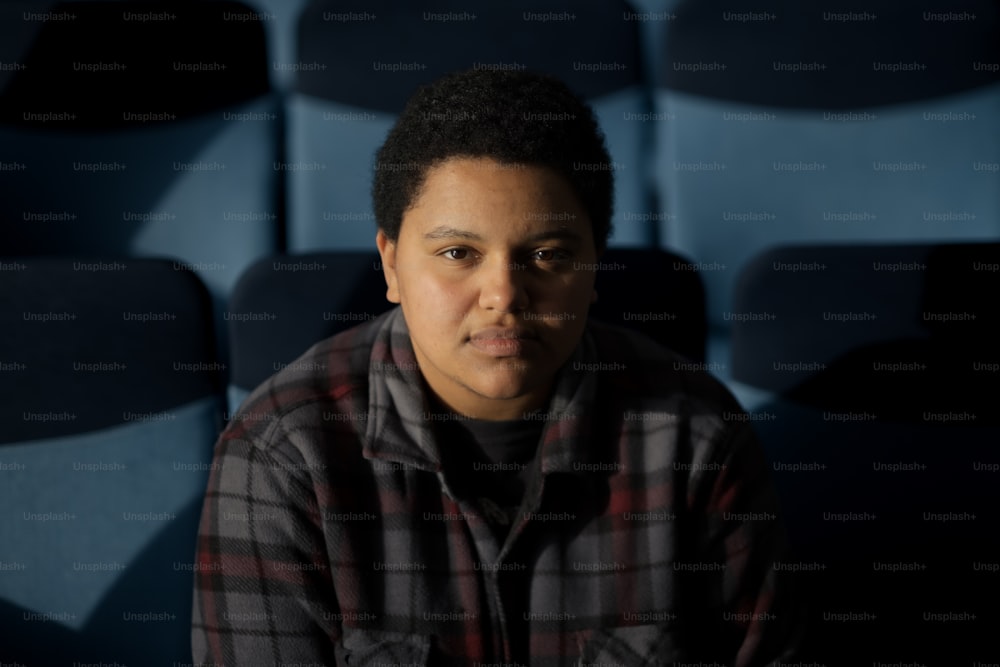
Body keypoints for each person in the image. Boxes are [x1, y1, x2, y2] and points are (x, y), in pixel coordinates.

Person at [191, 68, 802, 666]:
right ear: (393, 265)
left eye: (548, 255)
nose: (504, 294)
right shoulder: (281, 455)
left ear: (594, 269)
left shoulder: (697, 434)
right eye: (459, 253)